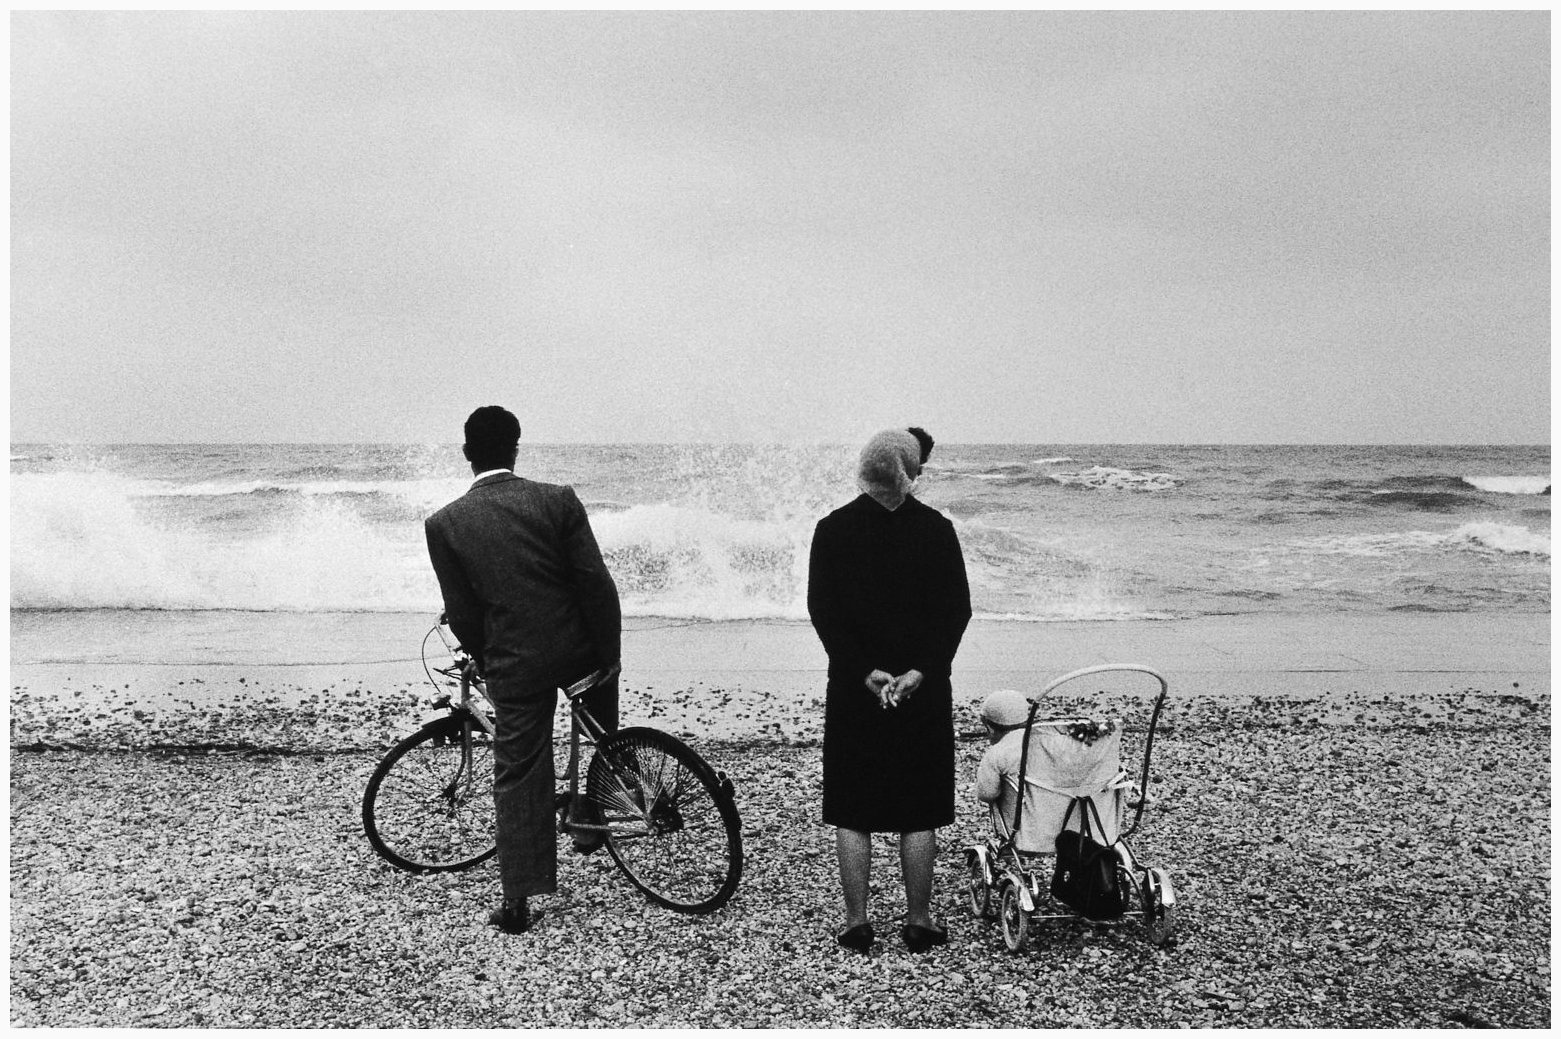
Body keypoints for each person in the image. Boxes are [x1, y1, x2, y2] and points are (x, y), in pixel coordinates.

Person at [425, 406, 621, 935]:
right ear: (516, 447)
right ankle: (593, 818)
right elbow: (595, 585)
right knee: (604, 732)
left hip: (516, 661)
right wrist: (609, 652)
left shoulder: (444, 524)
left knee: (519, 771)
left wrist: (488, 659)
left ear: (468, 453)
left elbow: (464, 613)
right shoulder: (557, 500)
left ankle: (518, 900)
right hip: (577, 649)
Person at [807, 426, 972, 954]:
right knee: (918, 806)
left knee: (853, 806)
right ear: (910, 469)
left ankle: (857, 923)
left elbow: (823, 612)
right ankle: (919, 920)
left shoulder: (832, 530)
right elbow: (956, 611)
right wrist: (922, 670)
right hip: (922, 689)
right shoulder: (937, 530)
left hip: (856, 688)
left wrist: (862, 671)